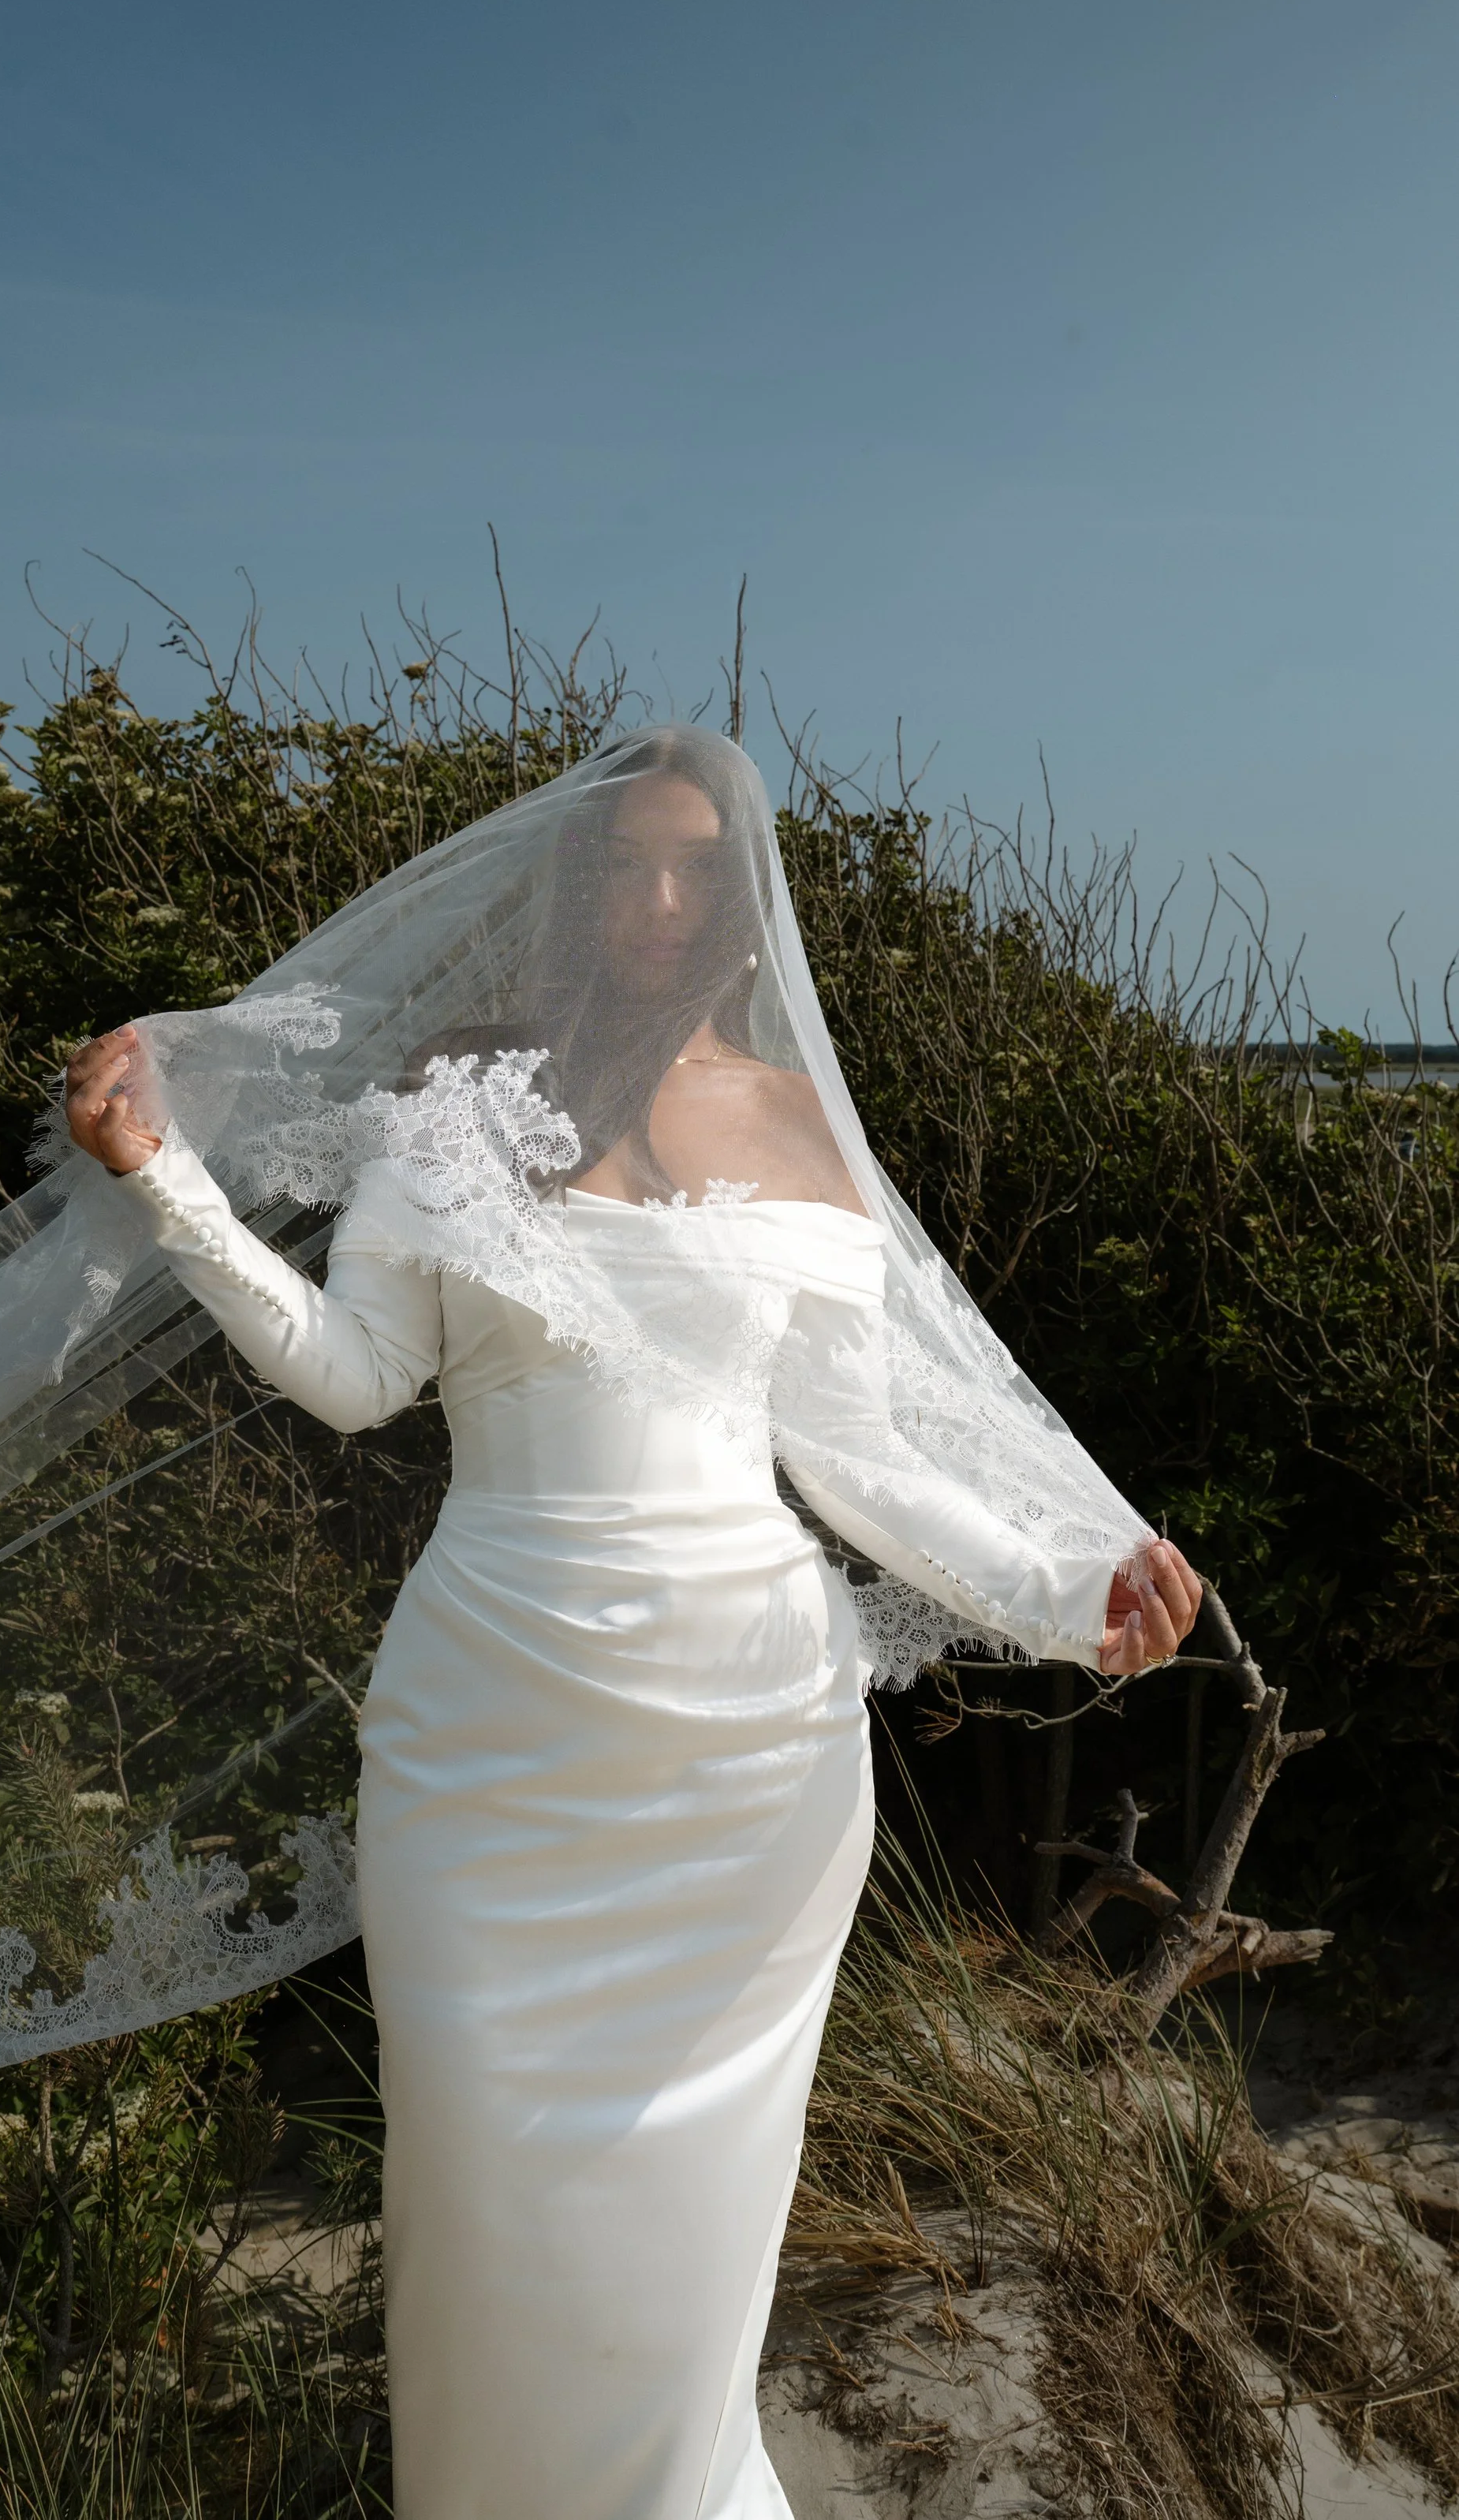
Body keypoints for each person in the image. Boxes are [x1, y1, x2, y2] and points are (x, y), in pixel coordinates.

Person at [62, 732, 1203, 2520]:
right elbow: (362, 1383)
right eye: (626, 867)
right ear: (572, 890)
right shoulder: (452, 1102)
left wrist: (1074, 1596)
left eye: (694, 870)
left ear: (745, 909)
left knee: (693, 2214)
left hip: (747, 1746)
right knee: (486, 2190)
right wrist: (165, 1184)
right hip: (487, 1725)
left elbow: (862, 1461)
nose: (659, 902)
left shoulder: (801, 1128)